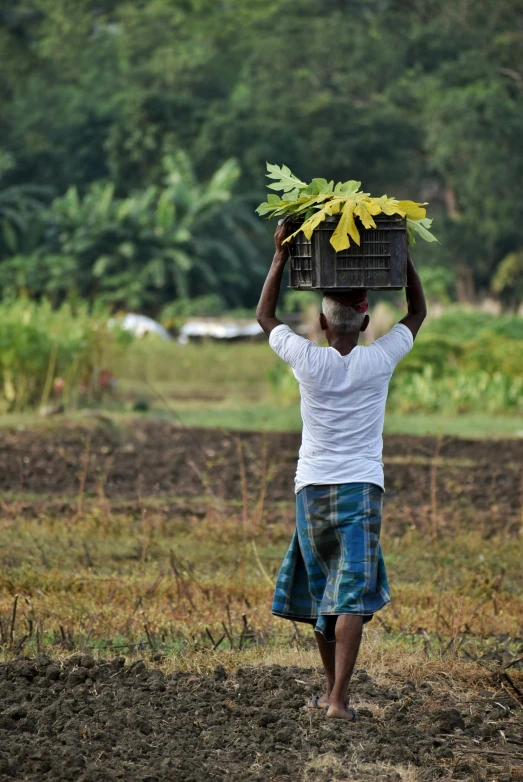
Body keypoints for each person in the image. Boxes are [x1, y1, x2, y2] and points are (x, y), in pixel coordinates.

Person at [256, 218, 427, 721]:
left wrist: (281, 257)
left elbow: (265, 317)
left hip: (311, 488)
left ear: (325, 325)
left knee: (324, 589)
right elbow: (418, 311)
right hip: (361, 487)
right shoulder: (380, 361)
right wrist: (403, 256)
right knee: (349, 589)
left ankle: (332, 693)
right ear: (366, 323)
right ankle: (338, 700)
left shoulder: (308, 360)